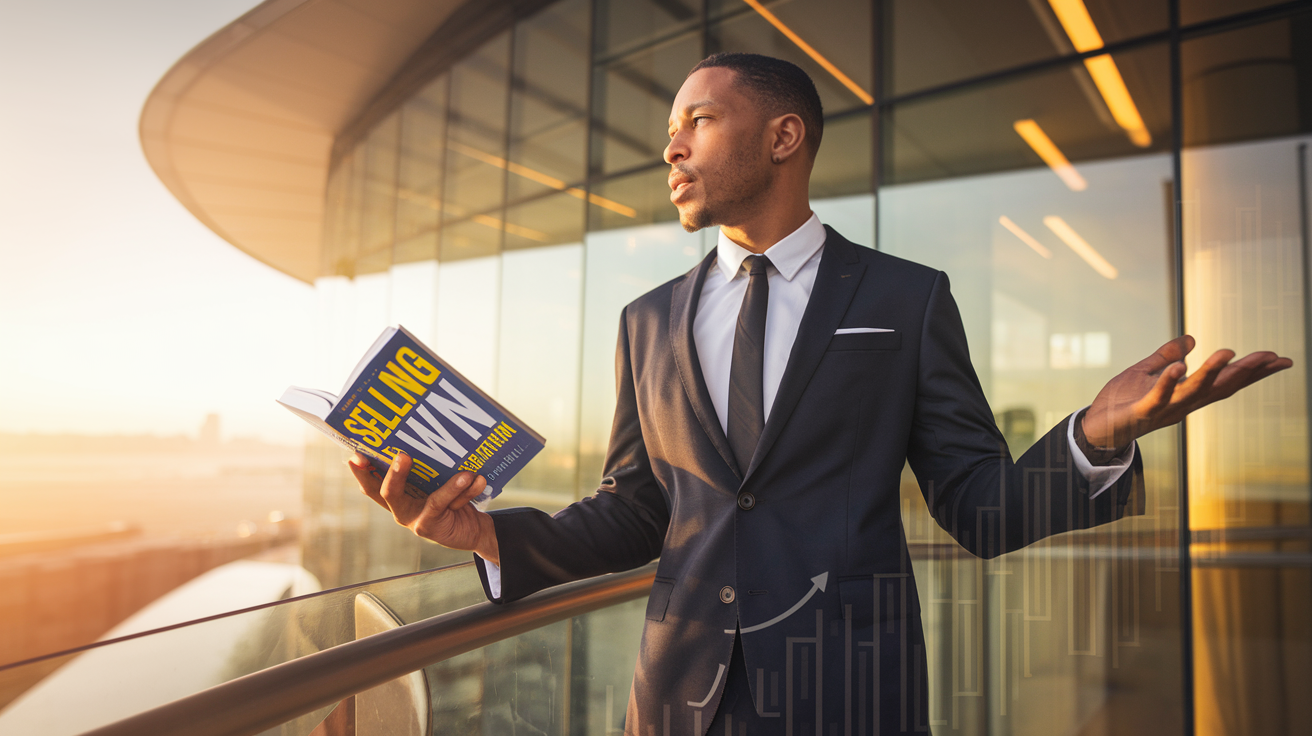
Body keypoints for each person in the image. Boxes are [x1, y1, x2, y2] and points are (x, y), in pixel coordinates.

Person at [350, 53, 1291, 735]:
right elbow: (640, 513)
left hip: (853, 701)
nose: (669, 147)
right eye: (670, 127)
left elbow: (980, 508)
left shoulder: (904, 299)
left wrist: (1093, 434)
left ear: (783, 136)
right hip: (678, 704)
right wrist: (486, 535)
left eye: (696, 122)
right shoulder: (646, 321)